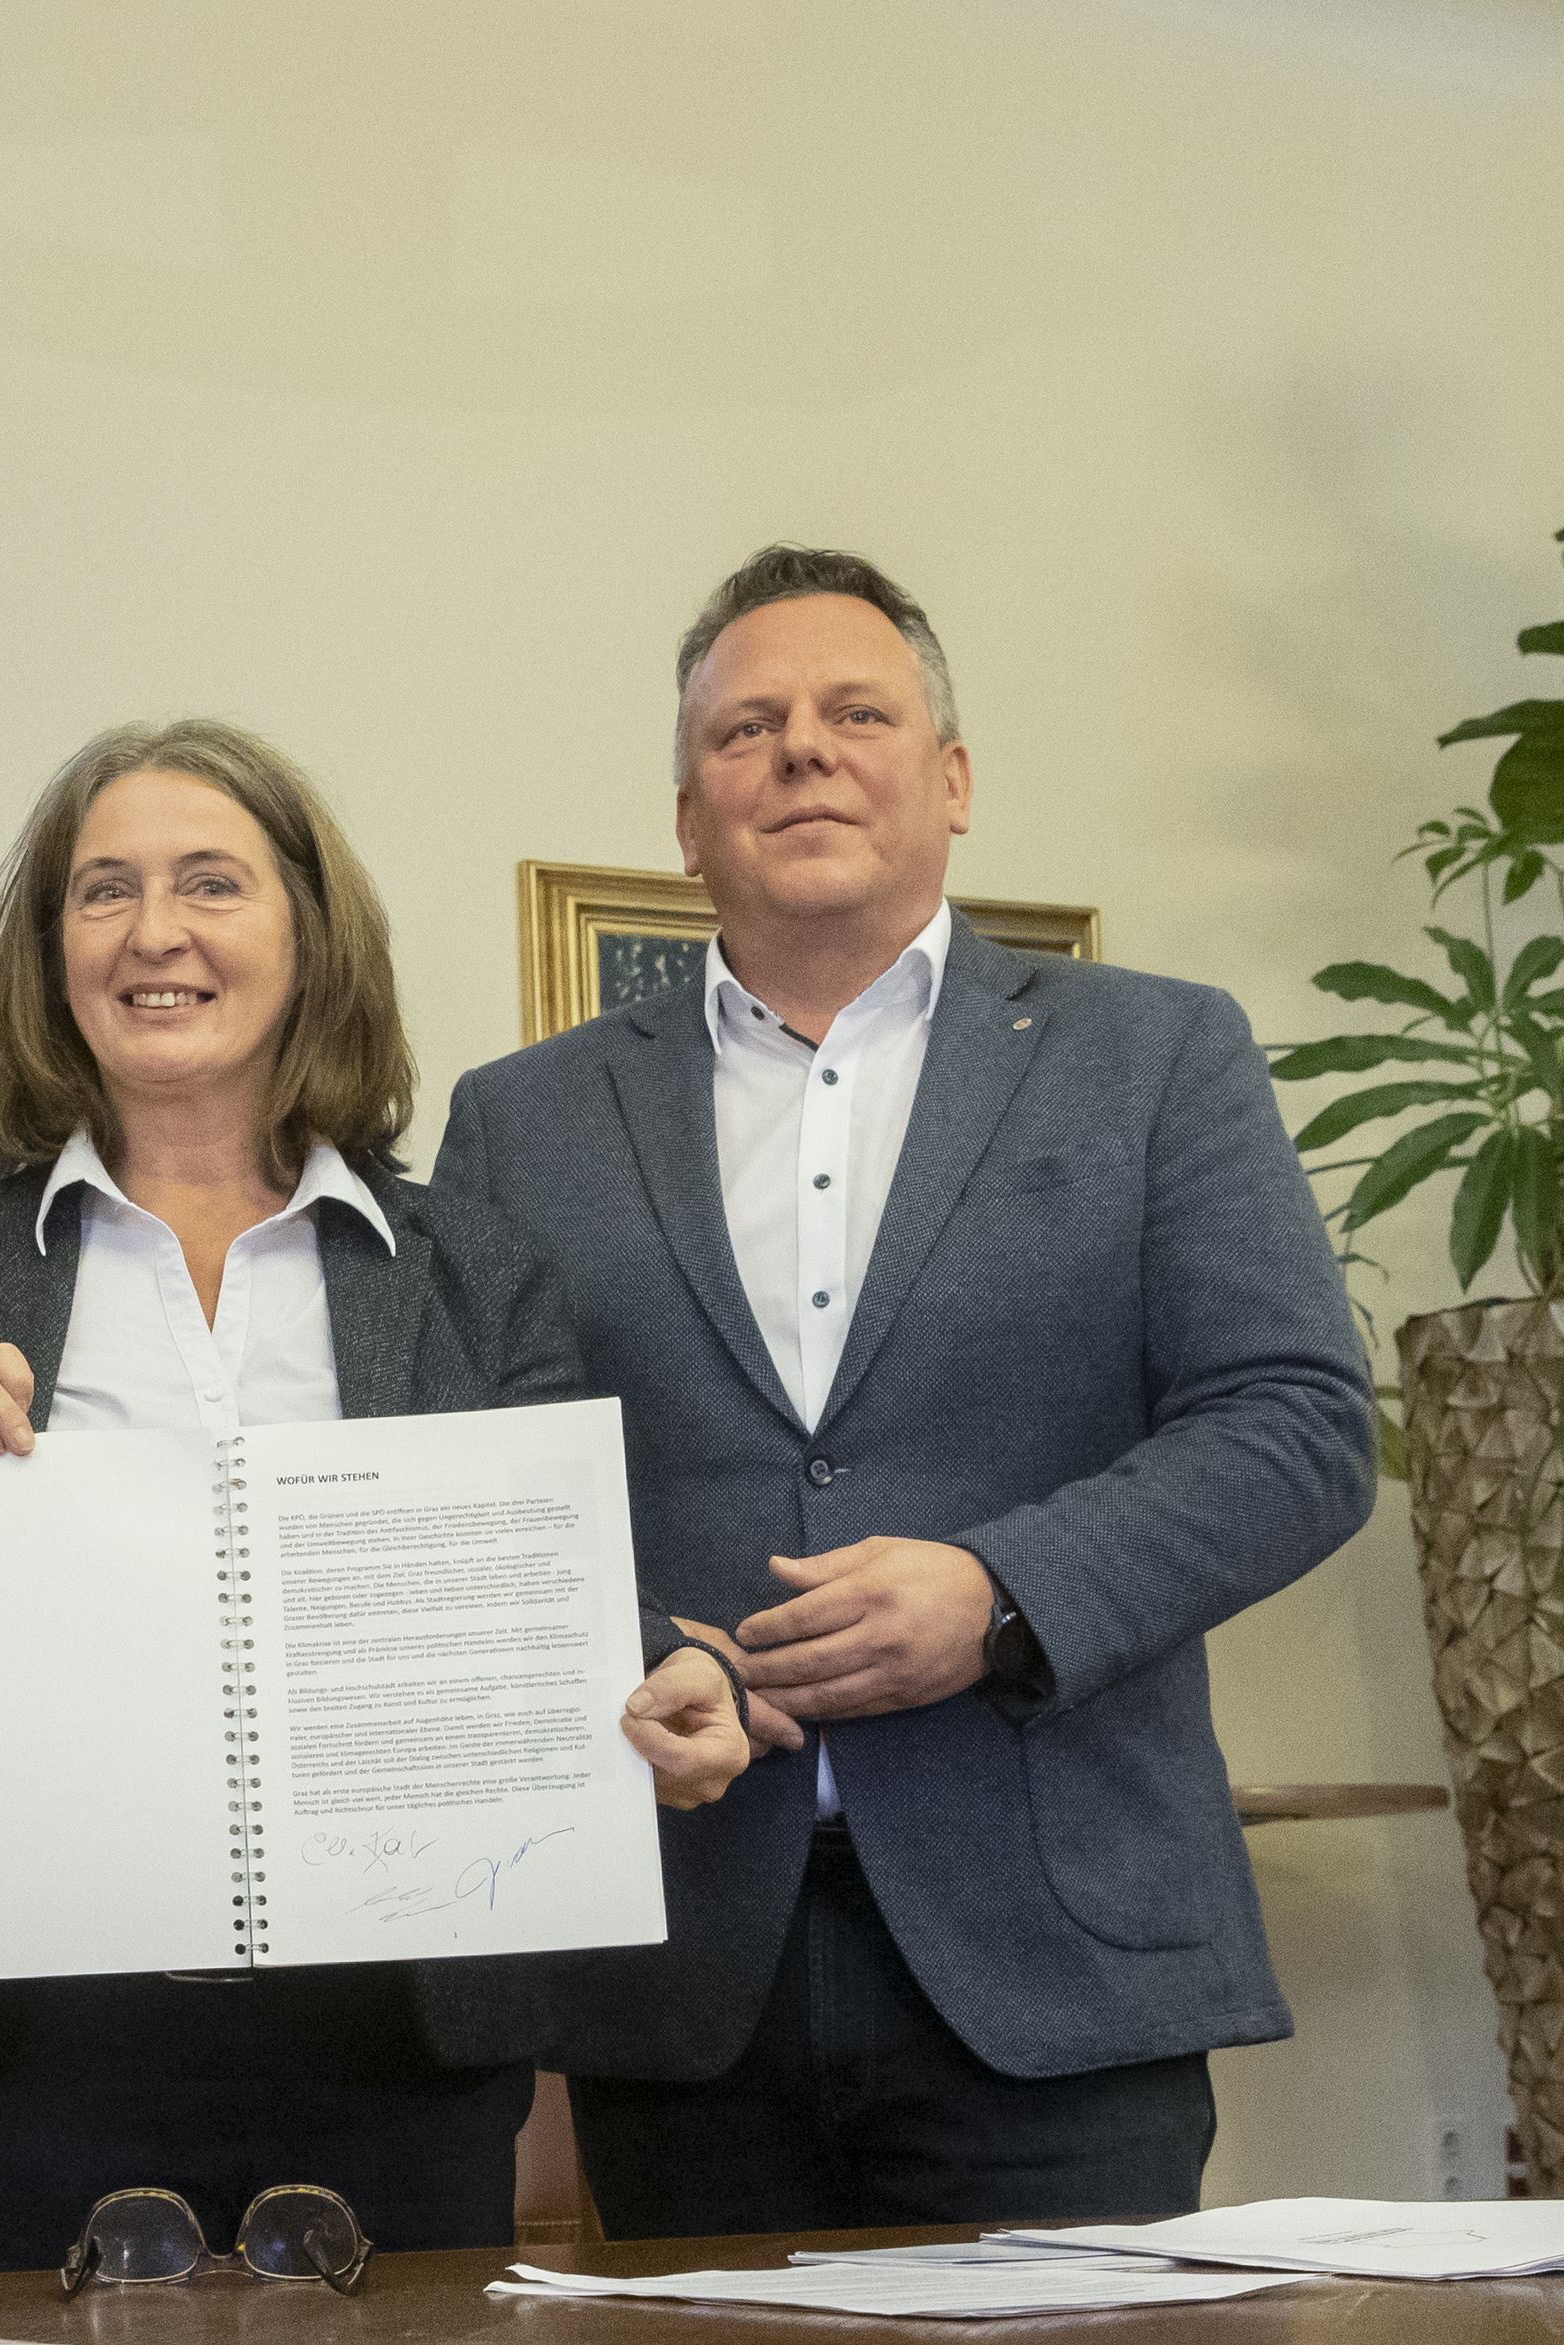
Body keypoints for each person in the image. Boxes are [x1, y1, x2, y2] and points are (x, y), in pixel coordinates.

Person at [435, 547, 1377, 2236]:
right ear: (685, 814)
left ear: (949, 782)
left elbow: (1300, 1425)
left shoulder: (1157, 1056)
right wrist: (654, 1647)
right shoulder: (527, 1120)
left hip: (1064, 1963)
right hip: (682, 1975)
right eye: (747, 729)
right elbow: (483, 1503)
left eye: (854, 713)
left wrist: (1002, 1595)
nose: (801, 751)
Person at [0, 718, 748, 2278]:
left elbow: (559, 1604)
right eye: (104, 891)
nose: (156, 933)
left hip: (400, 2054)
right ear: (51, 953)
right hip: (24, 2061)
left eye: (212, 883)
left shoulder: (475, 1273)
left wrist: (677, 1666)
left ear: (307, 936)